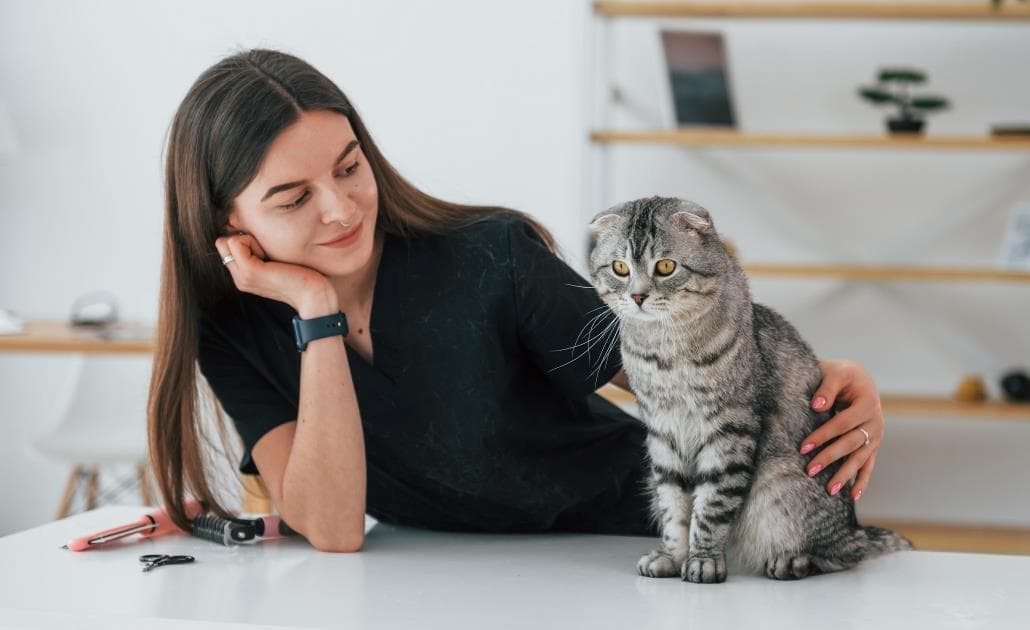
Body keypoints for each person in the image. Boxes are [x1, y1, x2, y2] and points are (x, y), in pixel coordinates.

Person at [149, 49, 887, 552]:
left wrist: (822, 378)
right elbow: (332, 526)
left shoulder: (487, 257)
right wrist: (316, 312)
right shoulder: (234, 330)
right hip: (465, 589)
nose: (341, 210)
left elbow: (688, 363)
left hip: (643, 542)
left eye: (350, 168)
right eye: (292, 198)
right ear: (227, 223)